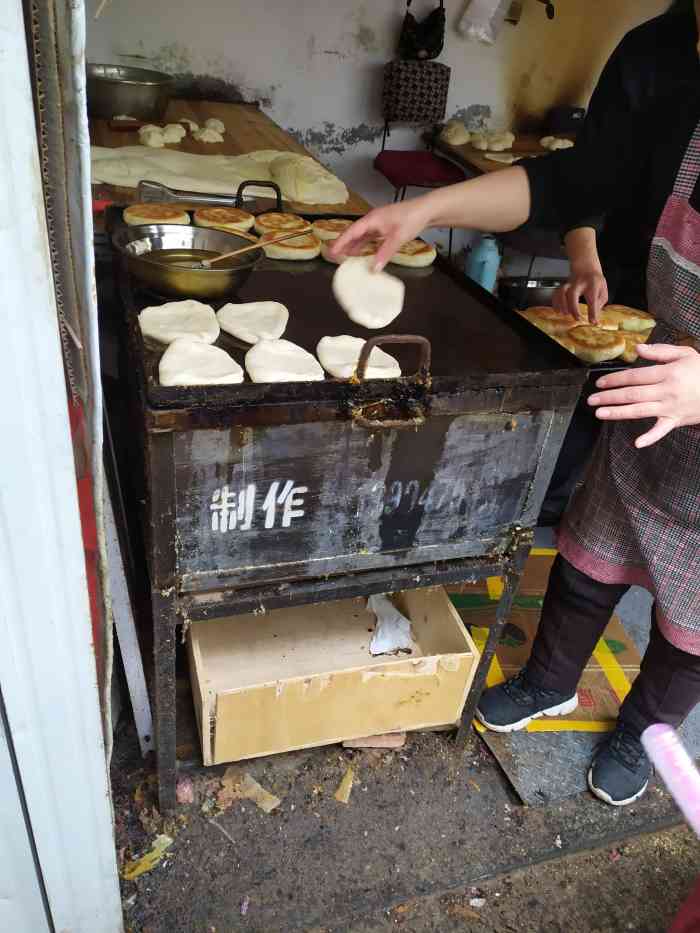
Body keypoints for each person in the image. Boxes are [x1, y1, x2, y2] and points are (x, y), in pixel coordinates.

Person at [330, 21, 700, 806]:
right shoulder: (665, 52)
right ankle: (549, 680)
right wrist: (427, 210)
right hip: (655, 382)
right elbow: (572, 184)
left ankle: (644, 731)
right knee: (592, 548)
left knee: (692, 616)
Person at [541, 0, 700, 523]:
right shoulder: (649, 50)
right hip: (624, 286)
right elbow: (587, 177)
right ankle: (548, 511)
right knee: (575, 444)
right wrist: (585, 259)